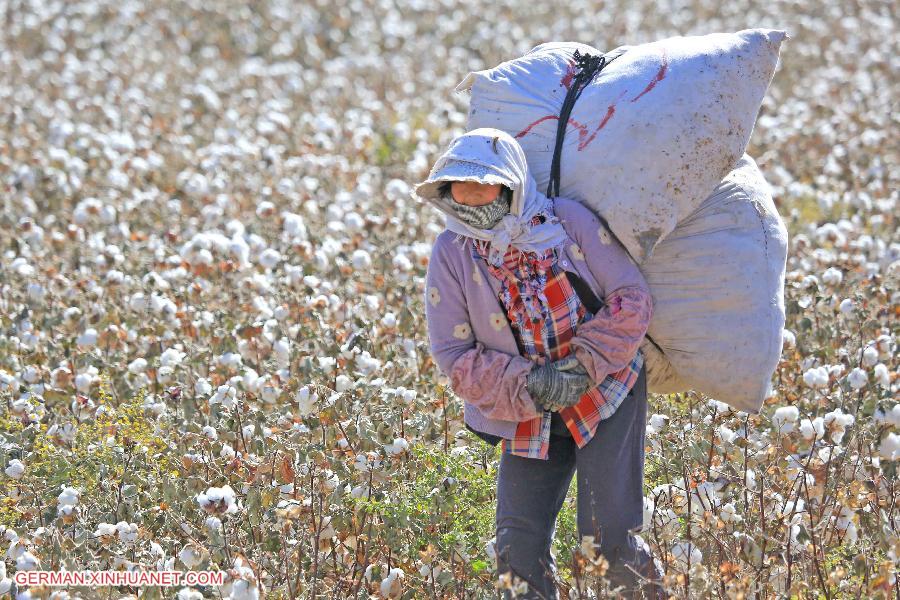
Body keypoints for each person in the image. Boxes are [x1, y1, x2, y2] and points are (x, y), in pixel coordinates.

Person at [415, 128, 668, 599]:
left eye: (483, 186)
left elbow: (631, 300)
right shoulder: (452, 252)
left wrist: (582, 366)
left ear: (512, 186)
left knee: (606, 542)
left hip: (608, 392)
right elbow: (454, 356)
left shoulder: (566, 223)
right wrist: (535, 384)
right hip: (526, 408)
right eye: (459, 188)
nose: (470, 199)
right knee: (516, 551)